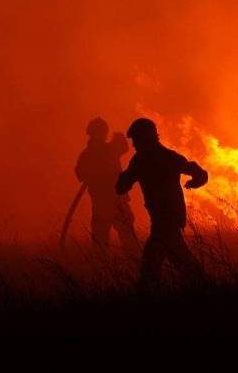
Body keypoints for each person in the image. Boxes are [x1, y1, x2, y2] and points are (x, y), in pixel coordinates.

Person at [115, 117, 208, 290]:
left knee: (150, 268)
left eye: (136, 139)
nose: (134, 144)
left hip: (165, 222)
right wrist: (196, 181)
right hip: (167, 220)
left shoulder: (144, 160)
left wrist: (123, 179)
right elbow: (200, 173)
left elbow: (121, 187)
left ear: (146, 137)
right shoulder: (164, 157)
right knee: (184, 264)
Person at [74, 117, 140, 257]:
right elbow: (80, 174)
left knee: (126, 236)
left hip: (117, 200)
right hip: (103, 202)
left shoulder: (110, 148)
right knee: (101, 239)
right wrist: (93, 174)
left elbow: (124, 146)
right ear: (92, 133)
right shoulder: (89, 154)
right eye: (99, 131)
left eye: (102, 131)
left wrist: (118, 136)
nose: (102, 134)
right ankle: (102, 269)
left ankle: (133, 265)